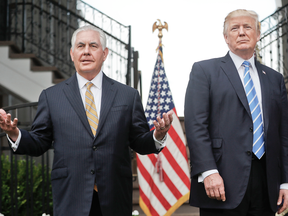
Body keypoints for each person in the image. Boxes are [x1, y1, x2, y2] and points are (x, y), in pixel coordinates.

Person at [0, 25, 173, 216]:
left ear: (105, 54)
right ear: (72, 53)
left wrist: (157, 135)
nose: (86, 52)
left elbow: (139, 141)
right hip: (71, 196)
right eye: (80, 46)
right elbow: (40, 142)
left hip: (114, 197)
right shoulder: (51, 97)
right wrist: (14, 133)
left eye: (93, 46)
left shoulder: (127, 96)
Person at [184, 9, 288, 216]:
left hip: (267, 183)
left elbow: (283, 133)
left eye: (247, 27)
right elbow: (196, 126)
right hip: (221, 180)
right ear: (226, 37)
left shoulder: (274, 79)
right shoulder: (204, 71)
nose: (241, 32)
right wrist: (208, 172)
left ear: (258, 35)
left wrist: (285, 180)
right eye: (235, 28)